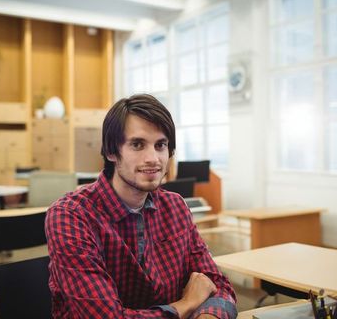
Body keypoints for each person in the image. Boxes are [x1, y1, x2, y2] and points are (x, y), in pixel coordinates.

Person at [45, 94, 237, 318]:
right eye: (137, 144)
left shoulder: (175, 207)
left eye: (161, 145)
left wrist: (207, 316)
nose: (153, 158)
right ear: (111, 152)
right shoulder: (71, 216)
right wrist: (186, 305)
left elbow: (219, 286)